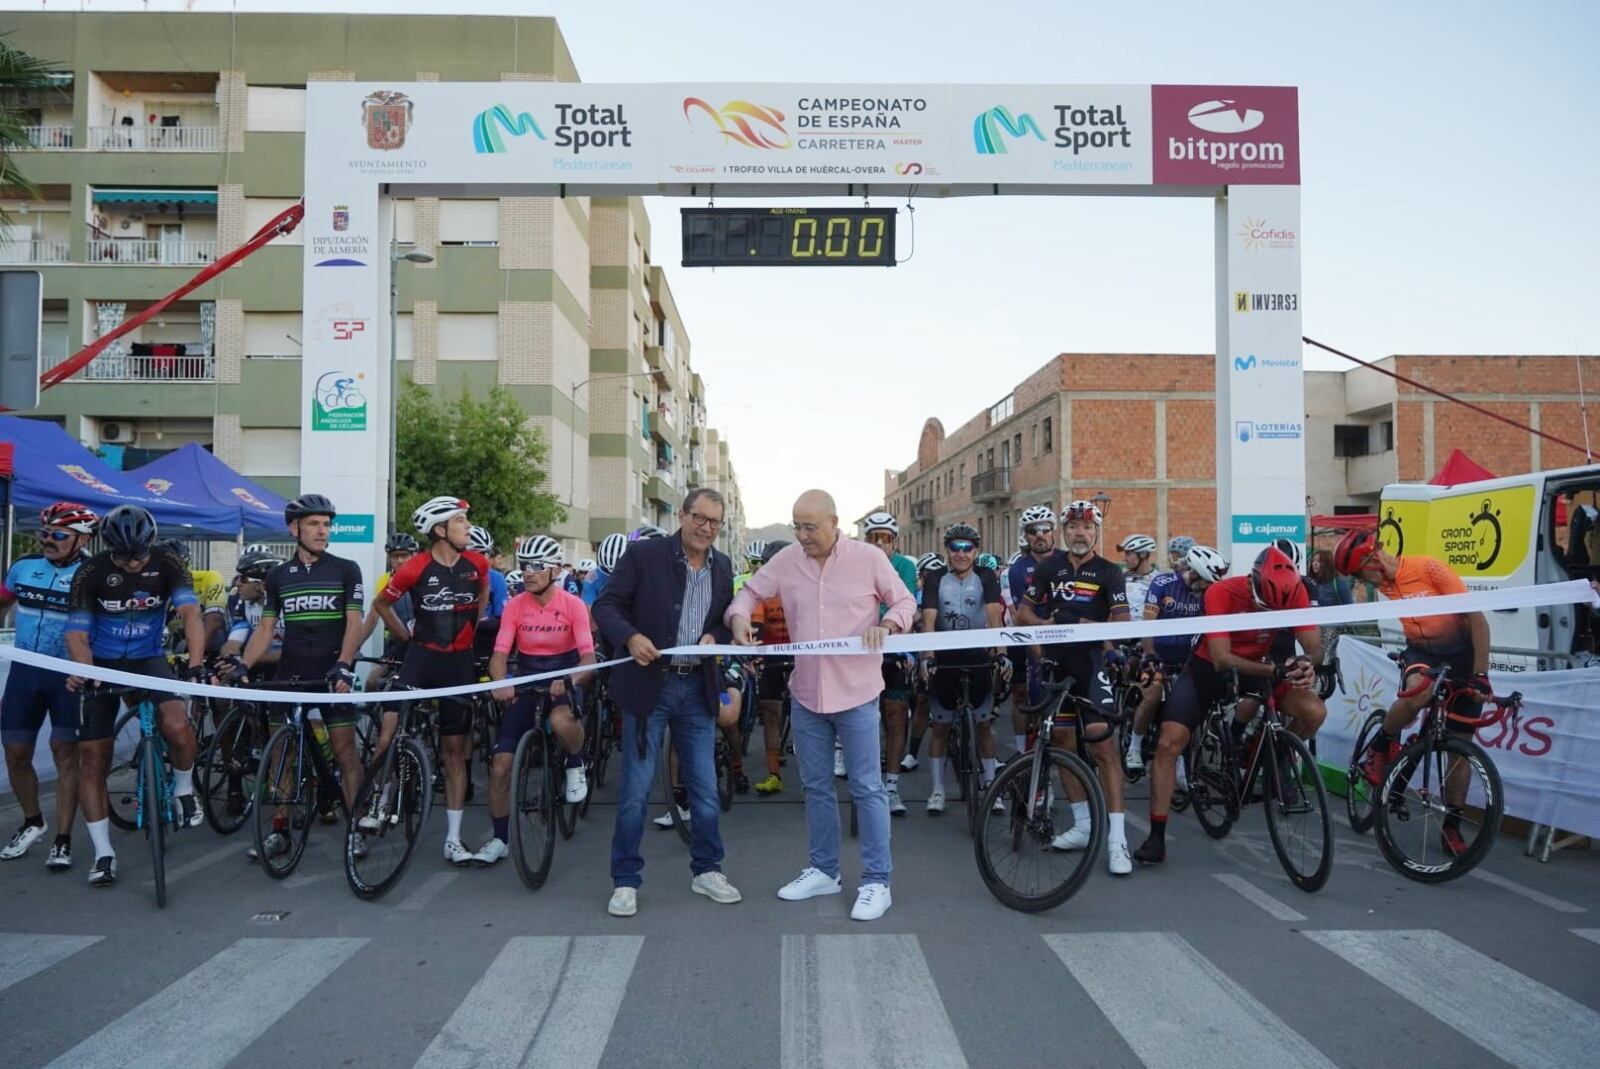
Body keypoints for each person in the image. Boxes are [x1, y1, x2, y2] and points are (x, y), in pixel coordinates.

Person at [729, 489, 915, 922]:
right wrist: (738, 618)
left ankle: (876, 881)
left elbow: (905, 601)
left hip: (857, 694)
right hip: (808, 694)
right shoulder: (787, 560)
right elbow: (749, 593)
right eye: (796, 526)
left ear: (834, 522)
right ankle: (825, 870)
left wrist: (888, 623)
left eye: (809, 527)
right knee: (815, 787)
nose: (802, 535)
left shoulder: (869, 559)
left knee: (867, 788)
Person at [593, 488, 741, 917]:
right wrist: (631, 636)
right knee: (636, 790)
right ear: (682, 514)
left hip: (697, 687)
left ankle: (708, 870)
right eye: (700, 517)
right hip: (648, 687)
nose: (706, 528)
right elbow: (606, 605)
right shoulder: (645, 557)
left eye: (715, 522)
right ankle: (625, 880)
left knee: (705, 788)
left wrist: (719, 634)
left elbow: (723, 617)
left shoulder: (723, 566)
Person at [1134, 547, 1326, 865]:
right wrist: (1275, 670)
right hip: (1209, 669)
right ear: (1253, 584)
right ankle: (1156, 836)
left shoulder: (1296, 591)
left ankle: (1270, 756)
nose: (1268, 615)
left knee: (1314, 711)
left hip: (1261, 667)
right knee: (1169, 745)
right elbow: (1222, 658)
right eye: (1265, 607)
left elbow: (1314, 646)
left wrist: (1307, 663)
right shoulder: (1223, 592)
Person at [64, 505, 208, 887]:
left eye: (139, 555)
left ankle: (182, 788)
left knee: (177, 725)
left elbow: (191, 616)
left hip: (149, 659)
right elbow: (76, 634)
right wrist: (84, 667)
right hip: (102, 662)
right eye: (124, 557)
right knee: (93, 758)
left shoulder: (168, 561)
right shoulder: (91, 571)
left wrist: (195, 664)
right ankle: (104, 853)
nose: (132, 563)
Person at [1334, 528, 1489, 856]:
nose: (1365, 582)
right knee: (1418, 693)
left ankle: (1451, 826)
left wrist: (1480, 675)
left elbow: (1477, 618)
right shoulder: (1385, 584)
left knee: (1459, 751)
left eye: (1360, 574)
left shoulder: (1429, 569)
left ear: (1373, 558)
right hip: (1422, 654)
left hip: (1461, 656)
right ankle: (1381, 744)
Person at [225, 495, 366, 854]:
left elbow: (354, 623)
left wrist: (345, 664)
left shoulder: (346, 569)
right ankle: (280, 829)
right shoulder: (278, 576)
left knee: (345, 750)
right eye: (315, 524)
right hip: (290, 672)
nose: (323, 531)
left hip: (332, 669)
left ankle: (357, 829)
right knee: (282, 752)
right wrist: (245, 663)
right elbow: (266, 629)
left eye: (327, 524)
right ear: (294, 529)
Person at [367, 496, 490, 866]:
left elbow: (482, 595)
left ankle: (453, 839)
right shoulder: (415, 568)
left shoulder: (478, 564)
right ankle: (379, 800)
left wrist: (470, 632)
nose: (467, 527)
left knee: (455, 751)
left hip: (459, 663)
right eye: (460, 521)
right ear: (440, 530)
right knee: (387, 732)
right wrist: (406, 639)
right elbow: (380, 605)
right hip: (421, 657)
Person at [1017, 500, 1133, 875]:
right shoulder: (1049, 567)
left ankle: (1117, 840)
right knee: (1062, 743)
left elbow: (1122, 620)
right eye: (1072, 528)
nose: (1078, 533)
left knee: (1102, 744)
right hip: (1055, 662)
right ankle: (1083, 825)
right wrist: (1045, 625)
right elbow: (1023, 612)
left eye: (1086, 528)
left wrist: (1090, 628)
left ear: (1096, 532)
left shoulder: (1110, 572)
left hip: (1091, 664)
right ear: (1063, 533)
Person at [476, 536, 598, 865]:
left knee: (561, 721)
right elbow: (500, 654)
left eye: (536, 567)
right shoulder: (515, 605)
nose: (528, 573)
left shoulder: (572, 605)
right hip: (529, 676)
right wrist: (500, 682)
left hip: (566, 673)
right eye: (524, 566)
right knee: (500, 766)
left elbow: (588, 658)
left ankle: (575, 762)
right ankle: (500, 838)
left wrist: (568, 679)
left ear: (555, 570)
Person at [0, 502, 97, 869]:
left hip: (67, 675)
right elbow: (3, 602)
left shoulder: (92, 574)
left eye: (59, 535)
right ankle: (32, 821)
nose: (48, 541)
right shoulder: (23, 567)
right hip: (26, 669)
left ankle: (63, 838)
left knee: (64, 753)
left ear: (82, 539)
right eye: (45, 533)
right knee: (15, 751)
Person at [918, 523, 1005, 815]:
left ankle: (992, 785)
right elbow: (928, 620)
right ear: (947, 551)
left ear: (976, 552)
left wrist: (1002, 653)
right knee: (941, 726)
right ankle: (938, 790)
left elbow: (995, 617)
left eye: (967, 548)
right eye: (954, 548)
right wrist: (927, 657)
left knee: (983, 725)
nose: (961, 554)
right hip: (945, 657)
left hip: (977, 654)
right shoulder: (934, 579)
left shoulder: (986, 577)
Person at [1125, 544, 1227, 775]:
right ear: (1194, 574)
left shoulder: (1209, 591)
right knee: (1152, 693)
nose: (1206, 590)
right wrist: (1149, 656)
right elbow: (1148, 623)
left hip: (1189, 658)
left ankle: (1182, 760)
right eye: (1204, 583)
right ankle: (1134, 746)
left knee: (1191, 705)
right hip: (1158, 653)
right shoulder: (1163, 584)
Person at [860, 510, 918, 812]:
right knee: (863, 720)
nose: (881, 543)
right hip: (860, 654)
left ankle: (892, 786)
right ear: (866, 541)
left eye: (887, 539)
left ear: (895, 542)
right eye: (875, 538)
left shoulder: (905, 567)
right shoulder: (854, 565)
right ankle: (866, 781)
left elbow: (905, 605)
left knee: (896, 716)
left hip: (893, 650)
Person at [1006, 504, 1056, 759]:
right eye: (1033, 530)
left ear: (1053, 532)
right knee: (1026, 697)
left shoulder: (1066, 560)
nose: (1039, 534)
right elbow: (1020, 616)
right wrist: (1037, 649)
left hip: (1064, 637)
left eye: (1045, 529)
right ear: (1026, 536)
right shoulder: (1018, 570)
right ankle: (1022, 751)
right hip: (1030, 636)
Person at [749, 539, 794, 795]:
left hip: (803, 657)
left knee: (810, 715)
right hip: (773, 657)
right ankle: (773, 773)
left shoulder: (804, 588)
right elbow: (756, 627)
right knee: (769, 712)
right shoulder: (762, 593)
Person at [363, 532, 419, 690]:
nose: (399, 560)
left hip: (423, 644)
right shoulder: (384, 581)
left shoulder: (424, 578)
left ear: (413, 555)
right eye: (395, 556)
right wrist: (356, 646)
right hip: (396, 645)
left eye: (404, 555)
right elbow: (373, 617)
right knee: (372, 681)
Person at [157, 538, 229, 657]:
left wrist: (192, 656)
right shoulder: (155, 588)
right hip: (177, 644)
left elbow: (215, 619)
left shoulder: (209, 578)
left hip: (211, 645)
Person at [469, 525, 509, 658]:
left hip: (483, 640)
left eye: (485, 553)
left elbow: (499, 618)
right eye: (475, 553)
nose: (482, 558)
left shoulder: (496, 578)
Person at [1117, 534, 1160, 611]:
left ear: (1143, 555)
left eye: (1128, 554)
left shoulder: (1158, 580)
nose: (1124, 559)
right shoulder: (1120, 577)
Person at [584, 532, 628, 608]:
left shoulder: (635, 573)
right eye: (608, 570)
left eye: (617, 570)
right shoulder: (592, 576)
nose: (612, 574)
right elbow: (589, 608)